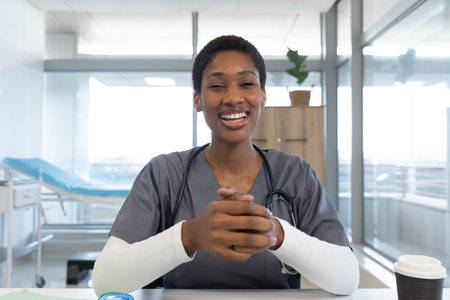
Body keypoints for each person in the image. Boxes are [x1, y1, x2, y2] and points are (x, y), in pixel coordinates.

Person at [92, 35, 359, 296]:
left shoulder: (295, 174)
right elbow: (105, 279)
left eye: (246, 83)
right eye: (217, 86)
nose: (233, 97)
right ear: (197, 99)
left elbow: (347, 278)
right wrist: (190, 235)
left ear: (262, 96)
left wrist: (278, 234)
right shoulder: (163, 174)